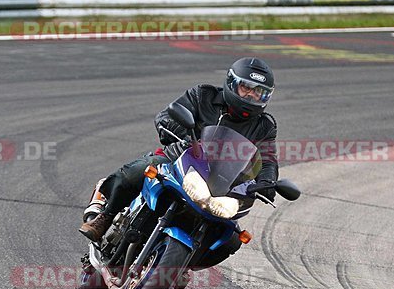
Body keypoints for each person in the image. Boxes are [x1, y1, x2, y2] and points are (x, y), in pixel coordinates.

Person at [79, 57, 279, 267]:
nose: (251, 95)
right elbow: (167, 116)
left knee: (231, 239)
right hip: (178, 160)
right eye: (246, 87)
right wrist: (181, 135)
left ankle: (180, 266)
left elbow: (267, 159)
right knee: (137, 171)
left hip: (221, 184)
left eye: (259, 92)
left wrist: (268, 182)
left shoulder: (264, 126)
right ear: (231, 83)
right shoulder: (203, 95)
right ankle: (106, 217)